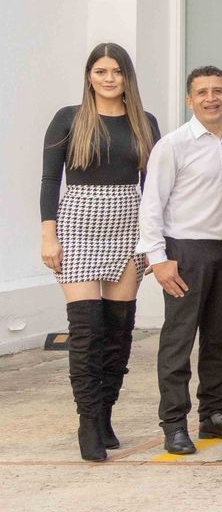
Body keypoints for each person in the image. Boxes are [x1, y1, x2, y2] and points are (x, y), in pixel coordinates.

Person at [40, 43, 160, 461]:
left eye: (117, 71)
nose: (109, 79)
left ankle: (106, 412)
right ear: (89, 75)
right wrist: (48, 235)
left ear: (128, 77)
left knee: (117, 334)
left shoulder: (144, 122)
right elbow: (49, 180)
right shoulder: (68, 119)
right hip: (77, 225)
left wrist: (153, 241)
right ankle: (88, 422)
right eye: (101, 71)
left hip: (127, 224)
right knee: (86, 333)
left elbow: (155, 189)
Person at [137, 66, 222, 457]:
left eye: (218, 90)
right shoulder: (173, 144)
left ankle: (214, 415)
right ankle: (174, 424)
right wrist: (158, 259)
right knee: (178, 341)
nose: (211, 98)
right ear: (190, 100)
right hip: (186, 252)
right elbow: (152, 203)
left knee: (218, 339)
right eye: (202, 92)